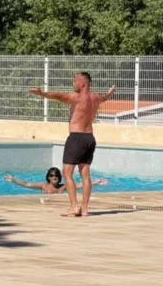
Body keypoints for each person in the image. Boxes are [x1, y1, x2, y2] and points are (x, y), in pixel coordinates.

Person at [28, 71, 115, 217]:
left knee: (67, 173)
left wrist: (42, 93)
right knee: (85, 174)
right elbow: (104, 98)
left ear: (82, 83)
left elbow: (58, 96)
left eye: (75, 80)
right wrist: (110, 93)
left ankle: (74, 207)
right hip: (90, 138)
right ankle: (85, 209)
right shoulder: (95, 98)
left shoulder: (76, 97)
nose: (72, 83)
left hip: (76, 138)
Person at [4, 167, 108, 194]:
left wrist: (96, 183)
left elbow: (80, 185)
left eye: (57, 175)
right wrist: (13, 180)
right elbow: (27, 184)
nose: (55, 177)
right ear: (48, 177)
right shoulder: (43, 186)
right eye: (52, 175)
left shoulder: (63, 187)